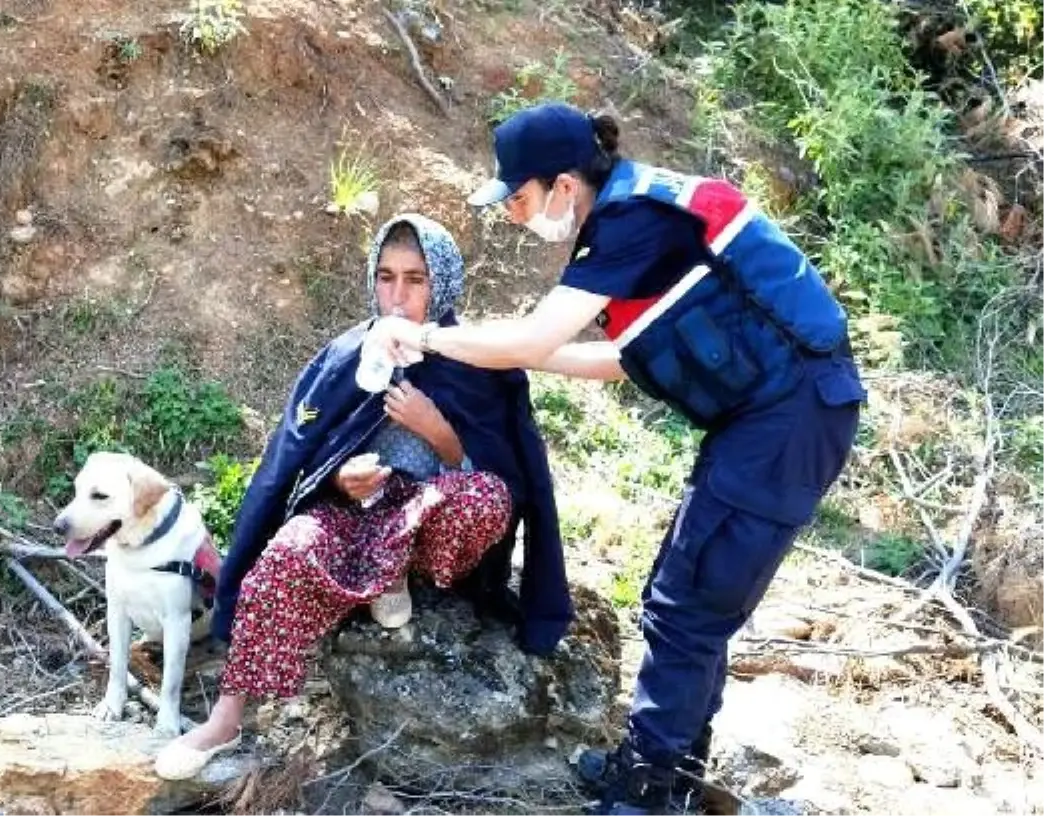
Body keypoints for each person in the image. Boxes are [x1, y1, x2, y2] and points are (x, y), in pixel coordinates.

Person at [367, 103, 866, 815]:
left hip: (790, 419)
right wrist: (529, 359)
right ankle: (669, 770)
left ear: (563, 185)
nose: (513, 213)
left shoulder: (632, 222)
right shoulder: (637, 218)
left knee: (688, 603)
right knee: (684, 591)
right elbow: (626, 359)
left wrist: (432, 339)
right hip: (772, 417)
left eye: (518, 196)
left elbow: (533, 337)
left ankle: (646, 792)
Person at [152, 212, 573, 780]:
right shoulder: (347, 355)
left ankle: (394, 570)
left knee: (484, 499)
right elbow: (294, 462)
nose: (397, 297)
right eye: (386, 276)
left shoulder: (481, 360)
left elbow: (510, 483)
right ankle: (227, 717)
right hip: (358, 517)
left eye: (416, 280)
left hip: (436, 532)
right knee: (290, 549)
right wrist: (338, 479)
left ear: (443, 283)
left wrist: (440, 433)